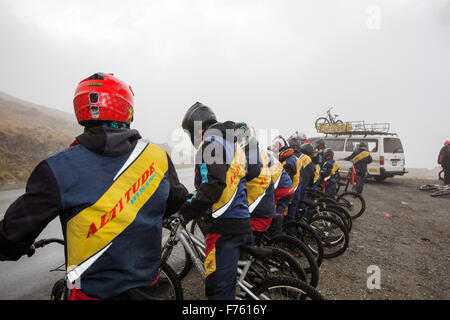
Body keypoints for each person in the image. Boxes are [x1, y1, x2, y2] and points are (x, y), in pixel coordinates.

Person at [0, 72, 190, 300]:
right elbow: (176, 200)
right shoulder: (158, 158)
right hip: (148, 287)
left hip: (90, 293)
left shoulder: (57, 168)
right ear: (127, 110)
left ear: (80, 110)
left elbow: (10, 237)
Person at [180, 102, 252, 300]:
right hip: (241, 222)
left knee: (218, 291)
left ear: (196, 126)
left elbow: (213, 185)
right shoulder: (231, 143)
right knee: (236, 284)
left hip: (224, 229)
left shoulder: (210, 143)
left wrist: (186, 212)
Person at [234, 123, 275, 234]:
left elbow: (242, 177)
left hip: (259, 210)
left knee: (235, 235)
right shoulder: (254, 150)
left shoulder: (249, 156)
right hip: (266, 204)